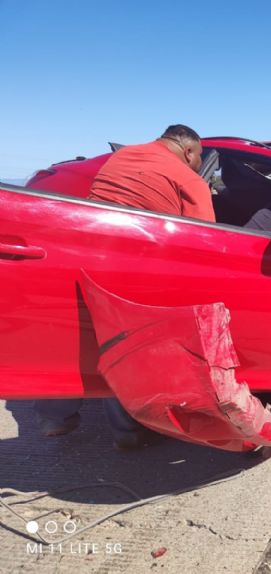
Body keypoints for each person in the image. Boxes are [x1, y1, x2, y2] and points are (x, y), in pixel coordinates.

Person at [35, 124, 215, 448]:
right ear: (189, 151)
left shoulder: (122, 157)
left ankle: (56, 417)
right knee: (122, 348)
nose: (199, 163)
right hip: (135, 268)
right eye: (200, 157)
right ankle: (127, 432)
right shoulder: (190, 180)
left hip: (86, 256)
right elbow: (206, 241)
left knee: (79, 339)